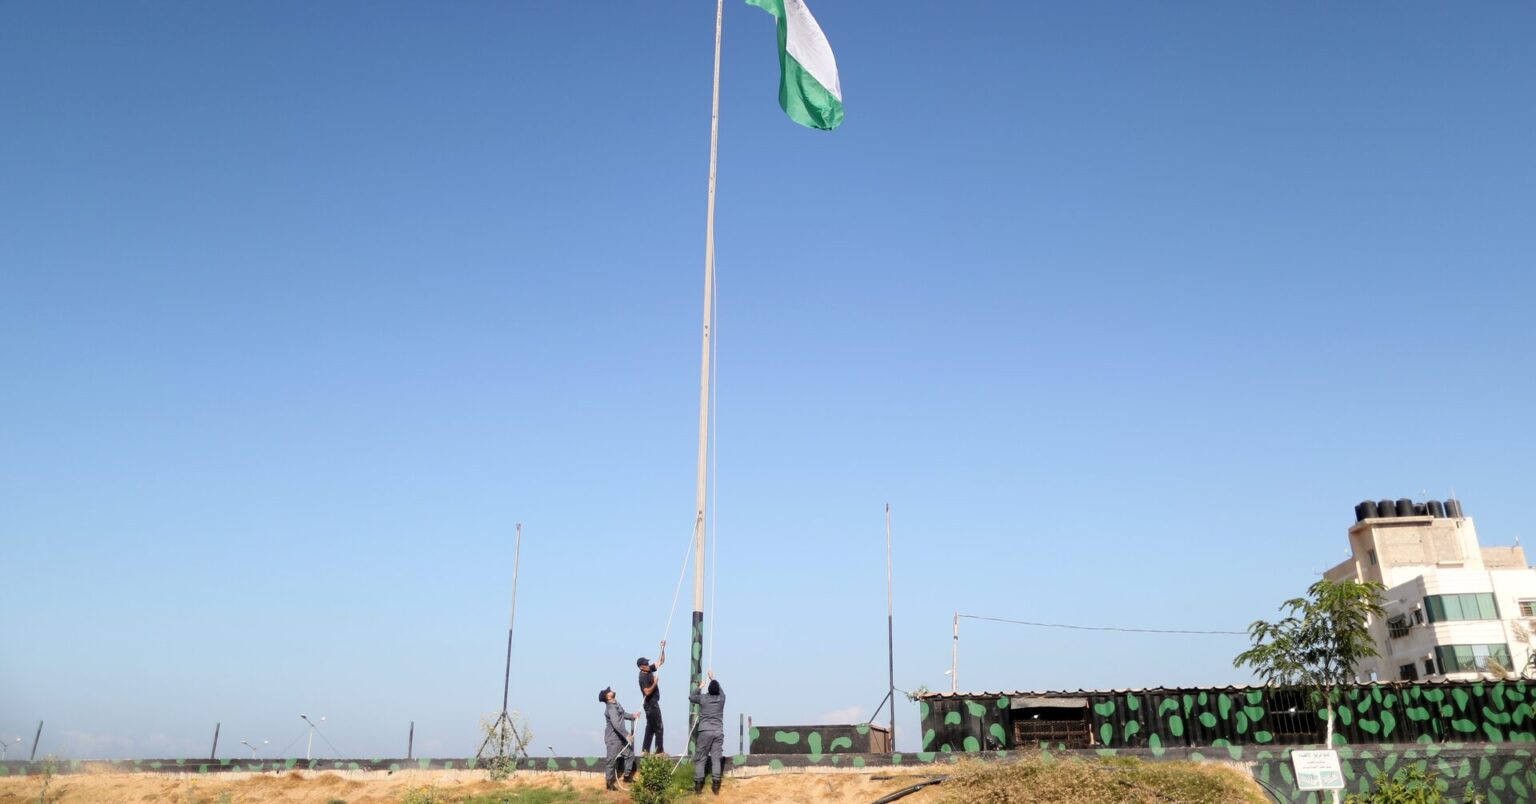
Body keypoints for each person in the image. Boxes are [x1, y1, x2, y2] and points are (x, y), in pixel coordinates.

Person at [689, 670, 726, 795]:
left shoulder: (704, 698)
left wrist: (699, 687)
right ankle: (716, 784)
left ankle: (698, 785)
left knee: (701, 759)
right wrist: (713, 678)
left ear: (709, 690)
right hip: (718, 731)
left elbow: (691, 697)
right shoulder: (722, 699)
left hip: (705, 731)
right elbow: (721, 691)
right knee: (716, 758)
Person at [600, 687, 641, 790]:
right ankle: (609, 784)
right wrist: (627, 735)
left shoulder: (616, 704)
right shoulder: (611, 708)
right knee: (611, 761)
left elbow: (623, 714)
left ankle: (627, 777)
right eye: (609, 691)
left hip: (620, 739)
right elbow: (617, 724)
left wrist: (633, 716)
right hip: (613, 740)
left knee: (630, 755)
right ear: (608, 696)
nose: (611, 690)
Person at [636, 640, 666, 754]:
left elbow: (661, 661)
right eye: (646, 664)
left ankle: (645, 750)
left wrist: (663, 649)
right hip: (650, 704)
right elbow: (647, 692)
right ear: (641, 667)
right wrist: (655, 683)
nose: (648, 665)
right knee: (659, 727)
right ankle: (659, 752)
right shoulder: (642, 677)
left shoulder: (649, 670)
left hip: (652, 703)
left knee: (650, 728)